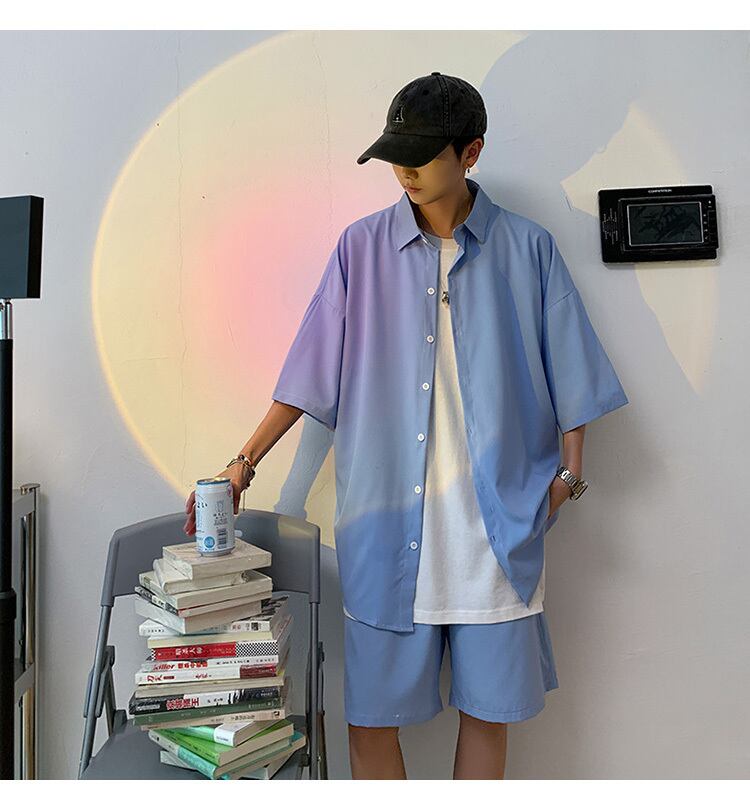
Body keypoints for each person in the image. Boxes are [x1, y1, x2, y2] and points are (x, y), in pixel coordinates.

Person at [185, 72, 629, 779]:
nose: (405, 172)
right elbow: (307, 372)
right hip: (387, 535)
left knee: (487, 716)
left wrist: (568, 479)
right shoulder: (360, 250)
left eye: (422, 156)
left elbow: (573, 373)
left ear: (470, 152)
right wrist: (244, 463)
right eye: (396, 156)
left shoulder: (528, 249)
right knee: (371, 720)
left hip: (497, 538)